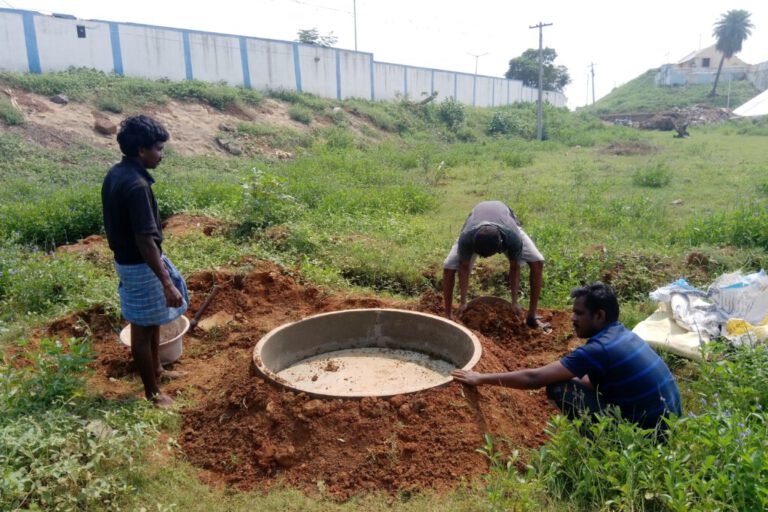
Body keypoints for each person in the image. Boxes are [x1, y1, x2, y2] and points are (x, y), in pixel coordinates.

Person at [452, 282, 681, 432]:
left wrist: (480, 378)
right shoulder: (621, 334)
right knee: (573, 380)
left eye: (579, 313)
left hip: (647, 434)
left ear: (599, 315)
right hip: (669, 425)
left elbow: (534, 378)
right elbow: (595, 381)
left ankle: (604, 443)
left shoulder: (597, 349)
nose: (572, 318)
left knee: (559, 388)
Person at [102, 115, 188, 408]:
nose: (161, 155)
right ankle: (153, 394)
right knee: (142, 329)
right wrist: (166, 282)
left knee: (151, 321)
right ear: (142, 150)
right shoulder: (137, 186)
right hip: (140, 265)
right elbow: (144, 239)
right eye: (159, 149)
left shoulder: (116, 173)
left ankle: (158, 369)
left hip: (131, 262)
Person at [442, 200, 545, 327]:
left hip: (506, 225)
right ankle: (448, 316)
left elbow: (514, 268)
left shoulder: (513, 238)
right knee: (448, 266)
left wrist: (514, 302)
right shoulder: (467, 237)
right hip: (475, 224)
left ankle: (532, 316)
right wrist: (463, 302)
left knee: (538, 261)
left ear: (500, 247)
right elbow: (464, 267)